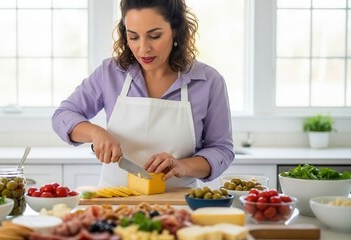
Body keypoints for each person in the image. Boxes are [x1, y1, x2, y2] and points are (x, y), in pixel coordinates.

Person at [52, 0, 234, 188]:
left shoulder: (208, 81)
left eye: (154, 36)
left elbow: (221, 150)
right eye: (133, 37)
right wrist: (95, 133)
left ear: (176, 30)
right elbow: (62, 116)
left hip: (177, 205)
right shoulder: (110, 73)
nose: (143, 48)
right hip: (114, 204)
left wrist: (183, 166)